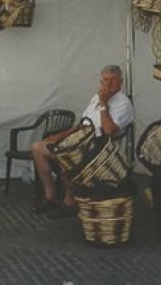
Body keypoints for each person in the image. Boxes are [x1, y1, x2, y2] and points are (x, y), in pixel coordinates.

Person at [30, 64, 134, 218]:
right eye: (105, 80)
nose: (108, 84)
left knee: (69, 156)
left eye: (113, 80)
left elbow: (109, 131)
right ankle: (50, 197)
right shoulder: (96, 97)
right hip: (81, 139)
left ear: (121, 82)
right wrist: (59, 137)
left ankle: (70, 202)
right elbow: (82, 123)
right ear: (101, 82)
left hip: (100, 147)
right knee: (38, 148)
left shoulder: (123, 103)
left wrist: (104, 104)